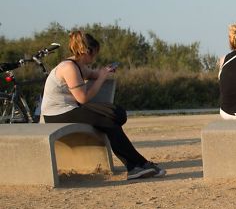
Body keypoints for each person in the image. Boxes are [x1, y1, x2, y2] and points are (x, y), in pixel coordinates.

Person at [41, 31, 166, 180]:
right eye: (94, 54)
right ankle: (137, 166)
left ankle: (137, 165)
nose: (95, 58)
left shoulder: (78, 65)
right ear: (87, 51)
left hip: (69, 109)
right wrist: (101, 78)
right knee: (110, 121)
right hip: (57, 114)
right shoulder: (69, 67)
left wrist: (105, 71)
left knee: (116, 115)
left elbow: (93, 74)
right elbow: (83, 98)